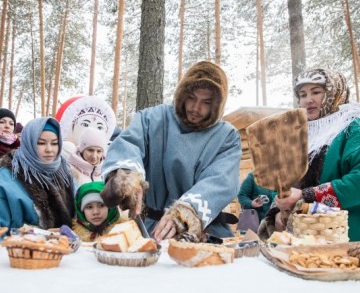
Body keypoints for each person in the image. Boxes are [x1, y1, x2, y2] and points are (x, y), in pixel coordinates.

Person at [100, 60, 241, 243]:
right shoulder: (152, 118)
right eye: (191, 97)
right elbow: (129, 144)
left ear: (216, 105)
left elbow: (221, 180)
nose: (196, 108)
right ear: (182, 94)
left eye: (206, 102)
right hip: (153, 229)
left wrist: (185, 214)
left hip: (204, 231)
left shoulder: (226, 136)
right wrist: (127, 178)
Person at [259, 68, 360, 241]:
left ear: (333, 93)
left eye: (316, 92)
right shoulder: (302, 135)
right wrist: (279, 211)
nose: (308, 100)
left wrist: (306, 196)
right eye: (303, 94)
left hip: (346, 237)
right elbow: (288, 185)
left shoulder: (352, 127)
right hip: (305, 239)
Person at [0, 117, 75, 231]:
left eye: (54, 143)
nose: (49, 149)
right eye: (41, 143)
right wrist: (41, 237)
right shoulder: (6, 179)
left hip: (68, 247)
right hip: (22, 247)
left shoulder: (65, 173)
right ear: (28, 143)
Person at [55, 95, 116, 160]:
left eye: (99, 127)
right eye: (85, 125)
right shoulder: (66, 153)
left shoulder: (107, 162)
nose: (92, 130)